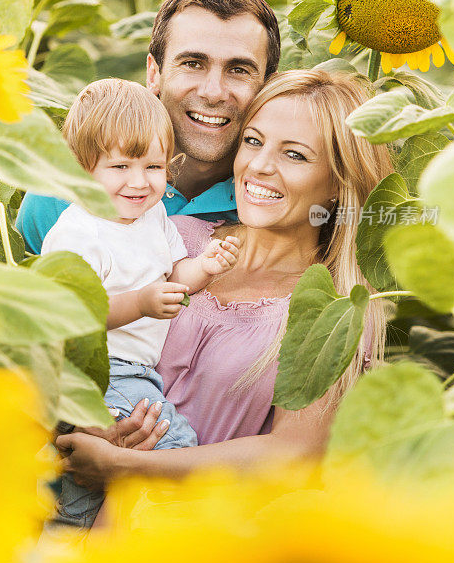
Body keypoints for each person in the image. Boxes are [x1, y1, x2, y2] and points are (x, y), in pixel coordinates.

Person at [55, 69, 395, 490]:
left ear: (338, 182)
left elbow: (294, 455)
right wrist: (86, 426)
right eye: (253, 141)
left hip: (196, 535)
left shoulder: (334, 309)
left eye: (295, 155)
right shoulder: (175, 236)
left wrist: (121, 465)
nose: (259, 166)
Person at [42, 78, 240, 526]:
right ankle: (66, 534)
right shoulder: (79, 234)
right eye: (120, 167)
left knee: (109, 467)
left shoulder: (152, 218)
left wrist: (206, 267)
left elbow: (175, 278)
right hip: (96, 372)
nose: (139, 182)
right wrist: (140, 303)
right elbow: (74, 319)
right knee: (173, 448)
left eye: (153, 167)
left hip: (138, 374)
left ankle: (69, 528)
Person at [16, 0, 281, 253]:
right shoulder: (64, 190)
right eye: (192, 64)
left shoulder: (281, 197)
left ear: (269, 87)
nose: (213, 93)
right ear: (154, 74)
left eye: (239, 70)